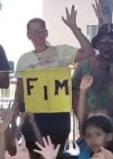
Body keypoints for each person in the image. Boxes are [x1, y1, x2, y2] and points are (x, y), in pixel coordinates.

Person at [13, 9, 94, 147]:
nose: (37, 35)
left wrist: (74, 28)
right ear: (28, 35)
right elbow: (20, 88)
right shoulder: (23, 59)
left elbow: (89, 52)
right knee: (34, 150)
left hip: (58, 112)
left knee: (57, 150)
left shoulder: (60, 51)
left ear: (46, 33)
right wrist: (14, 110)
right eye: (33, 32)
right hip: (33, 113)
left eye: (40, 31)